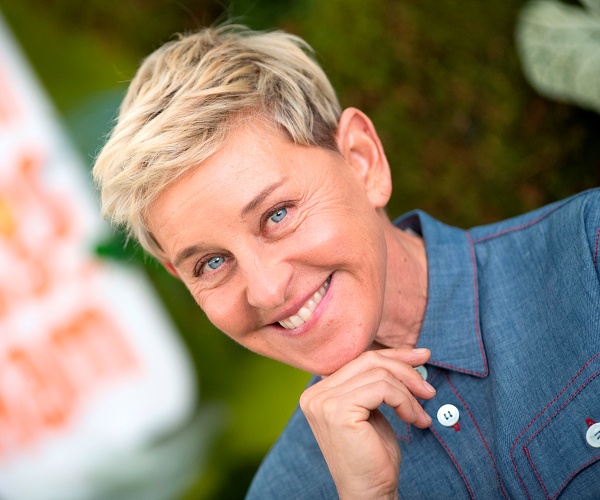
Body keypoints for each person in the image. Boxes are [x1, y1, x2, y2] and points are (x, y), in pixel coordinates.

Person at [92, 24, 600, 499]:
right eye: (212, 263)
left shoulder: (590, 253)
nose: (266, 291)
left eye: (277, 214)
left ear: (362, 161)